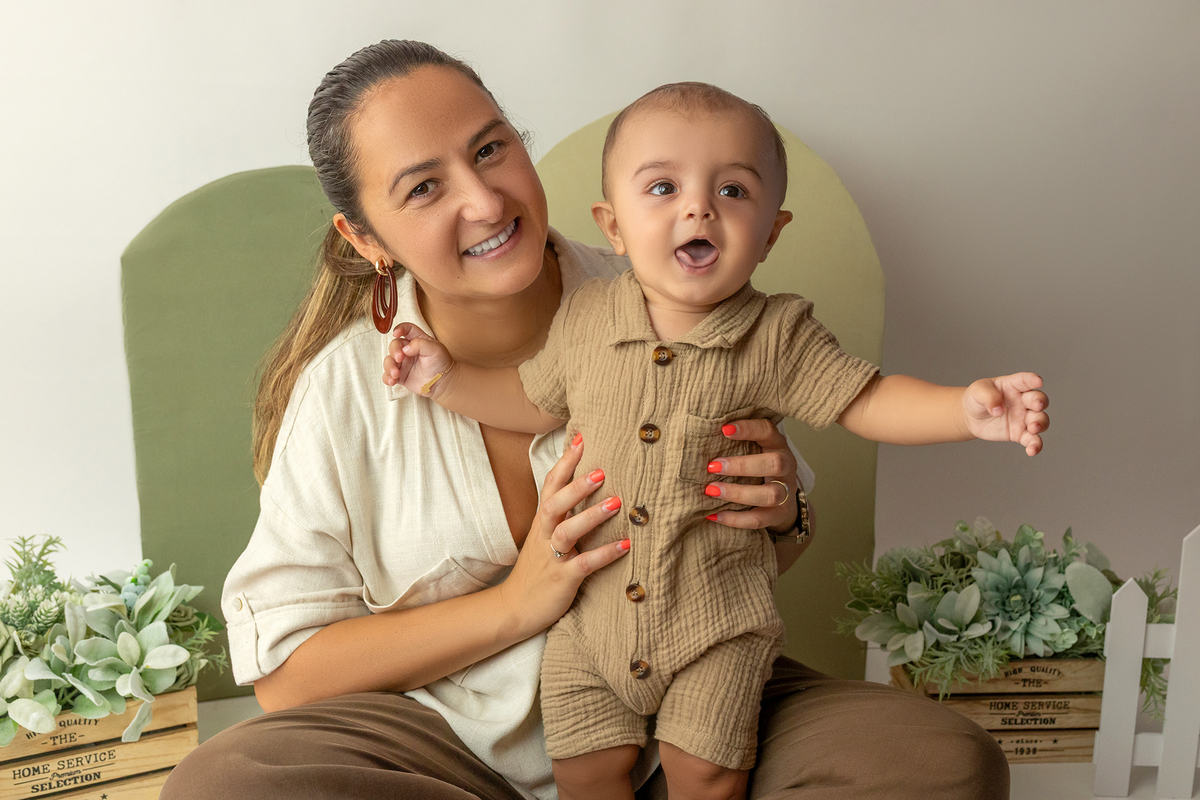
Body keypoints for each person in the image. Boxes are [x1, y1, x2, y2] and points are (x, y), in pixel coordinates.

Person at [161, 40, 1013, 800]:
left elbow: (779, 527)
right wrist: (516, 606)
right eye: (424, 187)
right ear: (366, 238)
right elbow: (285, 679)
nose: (487, 202)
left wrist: (782, 509)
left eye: (491, 149)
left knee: (936, 760)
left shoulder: (680, 293)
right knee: (227, 784)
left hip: (688, 687)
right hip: (441, 745)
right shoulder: (349, 386)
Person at [382, 82, 1048, 800]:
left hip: (716, 630)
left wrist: (965, 411)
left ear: (771, 232)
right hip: (590, 631)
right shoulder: (585, 316)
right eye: (663, 187)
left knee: (707, 774)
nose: (698, 208)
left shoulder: (778, 334)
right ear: (614, 225)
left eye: (732, 191)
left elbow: (867, 398)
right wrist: (444, 380)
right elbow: (530, 398)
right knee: (587, 776)